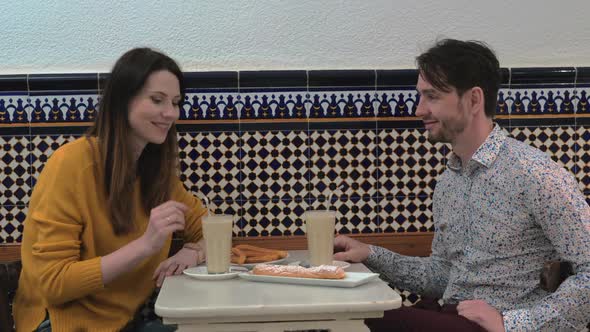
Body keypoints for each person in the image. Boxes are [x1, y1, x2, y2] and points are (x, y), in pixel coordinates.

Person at [334, 39, 590, 331]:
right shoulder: (449, 181)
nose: (419, 110)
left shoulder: (537, 175)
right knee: (349, 313)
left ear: (473, 100)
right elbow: (443, 275)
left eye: (431, 97)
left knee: (356, 318)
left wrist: (512, 324)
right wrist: (371, 255)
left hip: (492, 326)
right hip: (450, 316)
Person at [13, 48, 209, 331]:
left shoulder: (158, 176)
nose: (170, 113)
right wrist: (145, 246)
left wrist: (193, 252)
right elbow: (53, 283)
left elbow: (210, 231)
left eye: (176, 102)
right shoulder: (71, 164)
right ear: (121, 101)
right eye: (157, 100)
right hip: (63, 323)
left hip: (135, 318)